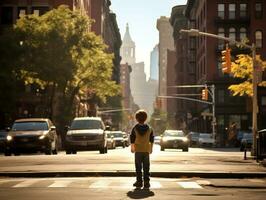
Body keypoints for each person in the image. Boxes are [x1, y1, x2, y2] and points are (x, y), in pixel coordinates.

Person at [130, 109, 154, 189]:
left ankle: (139, 182)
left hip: (138, 150)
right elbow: (151, 139)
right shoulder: (149, 128)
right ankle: (147, 182)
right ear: (145, 118)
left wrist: (132, 147)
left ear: (137, 119)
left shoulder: (135, 128)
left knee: (138, 167)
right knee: (146, 167)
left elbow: (132, 138)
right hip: (146, 150)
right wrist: (151, 148)